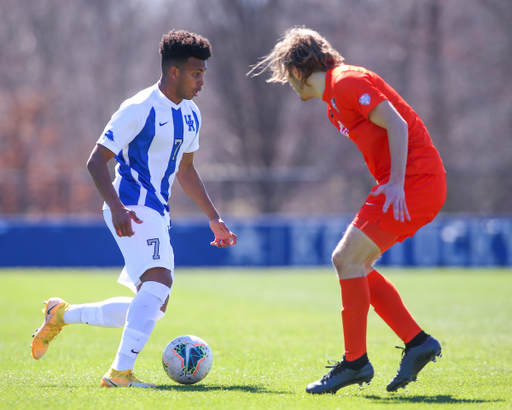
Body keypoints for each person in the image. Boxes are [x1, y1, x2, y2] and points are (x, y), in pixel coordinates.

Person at [31, 29, 237, 388]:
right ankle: (119, 374)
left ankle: (62, 314)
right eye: (196, 73)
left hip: (157, 211)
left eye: (203, 73)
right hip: (133, 206)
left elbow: (186, 170)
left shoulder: (191, 114)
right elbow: (96, 161)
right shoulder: (139, 108)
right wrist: (118, 208)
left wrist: (213, 216)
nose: (202, 80)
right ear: (173, 71)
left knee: (153, 306)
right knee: (159, 281)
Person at [249, 27, 446, 394]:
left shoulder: (347, 81)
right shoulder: (333, 105)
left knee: (345, 259)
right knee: (356, 265)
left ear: (296, 71)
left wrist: (396, 182)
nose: (289, 86)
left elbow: (398, 125)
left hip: (414, 182)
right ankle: (417, 342)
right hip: (409, 183)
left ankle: (356, 362)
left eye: (286, 77)